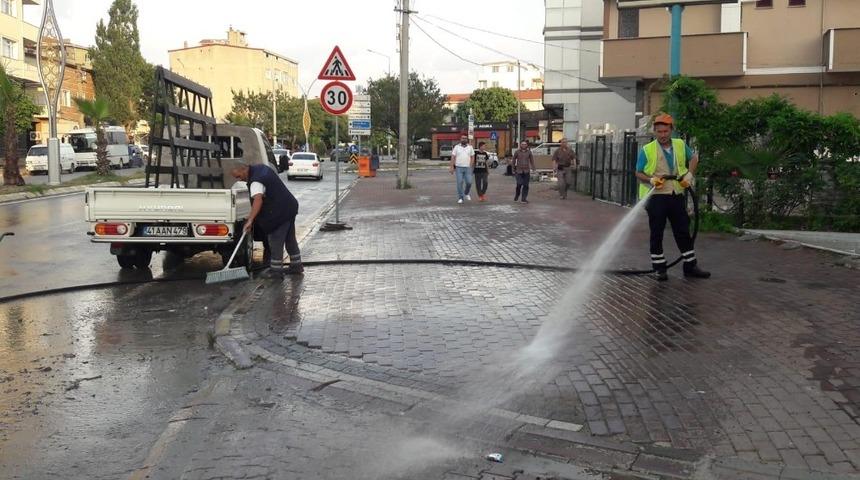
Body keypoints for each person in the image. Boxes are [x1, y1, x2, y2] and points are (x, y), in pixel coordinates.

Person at [635, 113, 710, 282]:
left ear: (671, 130)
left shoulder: (680, 144)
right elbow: (638, 172)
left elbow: (694, 159)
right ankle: (659, 268)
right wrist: (651, 179)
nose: (662, 135)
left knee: (682, 230)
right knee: (657, 232)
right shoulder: (647, 150)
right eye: (659, 131)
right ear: (654, 131)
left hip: (676, 194)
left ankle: (690, 266)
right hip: (656, 197)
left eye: (665, 131)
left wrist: (689, 174)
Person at [231, 161, 303, 278]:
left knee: (275, 241)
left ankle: (276, 271)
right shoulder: (260, 168)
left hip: (278, 213)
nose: (239, 180)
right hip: (289, 207)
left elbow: (258, 200)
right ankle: (296, 265)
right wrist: (251, 216)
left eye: (238, 176)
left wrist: (250, 220)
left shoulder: (255, 181)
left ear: (243, 169)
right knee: (290, 239)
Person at [449, 135, 475, 204]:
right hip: (458, 168)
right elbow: (453, 157)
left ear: (467, 139)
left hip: (467, 168)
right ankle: (461, 197)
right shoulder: (456, 147)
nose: (464, 139)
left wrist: (470, 165)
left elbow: (472, 157)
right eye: (463, 138)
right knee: (459, 182)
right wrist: (451, 167)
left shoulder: (470, 147)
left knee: (469, 182)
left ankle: (466, 193)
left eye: (465, 138)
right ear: (460, 139)